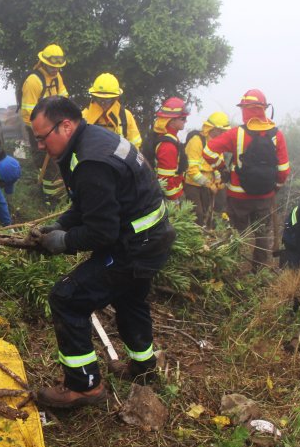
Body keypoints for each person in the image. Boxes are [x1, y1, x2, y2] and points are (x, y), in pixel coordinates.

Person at [29, 96, 175, 408]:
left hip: (135, 245)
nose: (40, 145)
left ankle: (84, 386)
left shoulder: (90, 162)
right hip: (152, 236)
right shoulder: (93, 138)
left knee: (66, 298)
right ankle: (144, 369)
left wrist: (63, 241)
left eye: (43, 138)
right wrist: (59, 224)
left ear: (65, 125)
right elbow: (88, 206)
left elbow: (101, 232)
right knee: (130, 298)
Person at [203, 89, 290, 269]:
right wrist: (276, 187)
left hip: (237, 196)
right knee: (262, 234)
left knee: (235, 233)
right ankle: (258, 269)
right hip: (265, 196)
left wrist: (221, 167)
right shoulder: (277, 135)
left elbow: (208, 151)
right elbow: (283, 169)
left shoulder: (236, 134)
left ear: (244, 109)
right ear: (264, 109)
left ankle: (232, 267)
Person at [20, 44, 69, 205]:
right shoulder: (33, 82)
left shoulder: (57, 77)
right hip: (37, 130)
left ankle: (55, 193)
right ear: (43, 63)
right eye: (52, 66)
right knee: (46, 163)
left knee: (58, 160)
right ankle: (50, 200)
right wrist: (43, 134)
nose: (55, 69)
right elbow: (28, 114)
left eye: (58, 67)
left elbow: (63, 98)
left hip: (54, 127)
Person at [184, 112, 230, 227]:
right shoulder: (196, 141)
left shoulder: (217, 143)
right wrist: (209, 184)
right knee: (197, 215)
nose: (223, 133)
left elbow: (217, 165)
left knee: (206, 214)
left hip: (207, 184)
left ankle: (206, 238)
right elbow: (192, 170)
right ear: (212, 129)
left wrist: (219, 180)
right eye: (221, 131)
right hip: (192, 184)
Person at [144, 97, 189, 202]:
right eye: (182, 118)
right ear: (171, 120)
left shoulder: (167, 137)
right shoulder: (167, 145)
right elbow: (165, 180)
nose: (185, 121)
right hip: (168, 197)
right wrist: (174, 201)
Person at [82, 73, 142, 148]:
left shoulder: (126, 116)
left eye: (107, 100)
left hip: (117, 158)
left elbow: (135, 144)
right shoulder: (84, 116)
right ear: (93, 97)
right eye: (99, 99)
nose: (103, 103)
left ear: (116, 98)